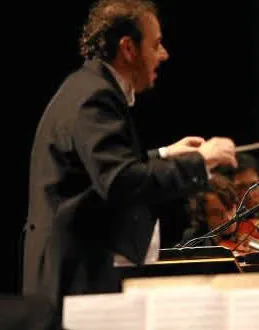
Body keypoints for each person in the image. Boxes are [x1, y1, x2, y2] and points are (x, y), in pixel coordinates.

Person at [22, 0, 237, 325]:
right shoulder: (95, 97)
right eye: (155, 44)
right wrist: (199, 162)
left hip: (75, 270)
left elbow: (97, 171)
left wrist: (164, 155)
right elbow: (120, 181)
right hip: (74, 277)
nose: (163, 55)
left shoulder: (90, 87)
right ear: (128, 48)